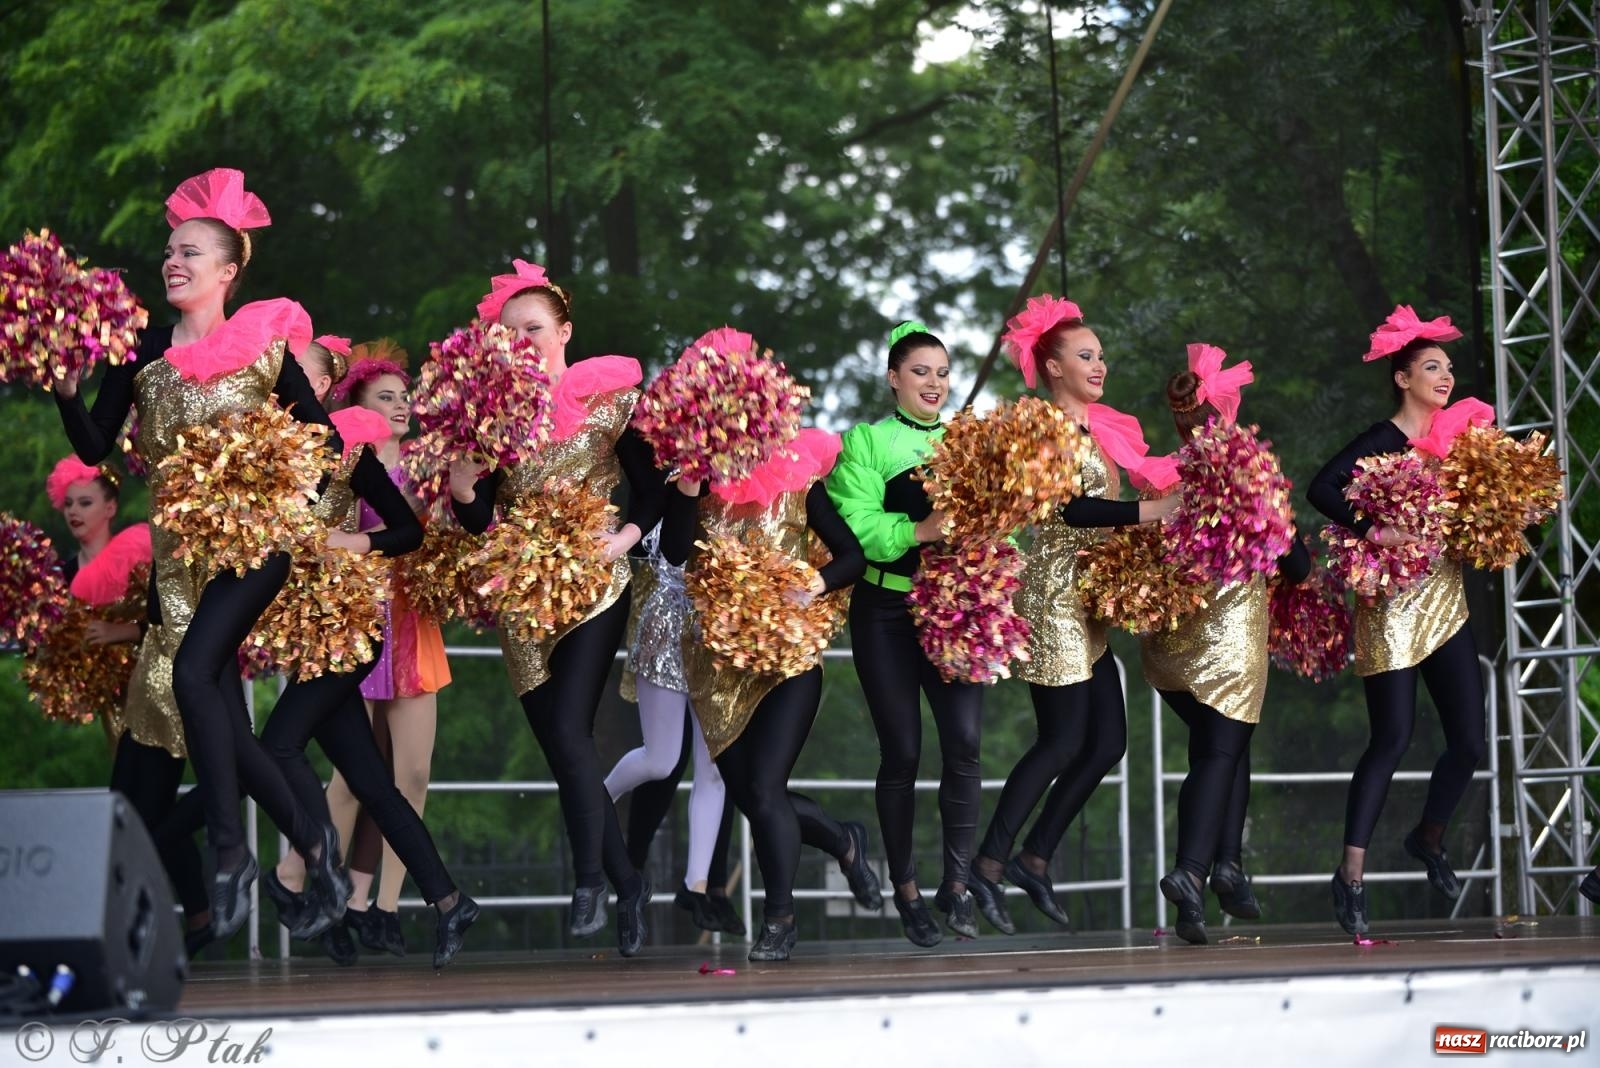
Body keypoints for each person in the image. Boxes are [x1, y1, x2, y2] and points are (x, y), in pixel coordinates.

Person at [52, 168, 349, 939]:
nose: (173, 260)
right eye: (169, 251)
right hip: (180, 562)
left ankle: (228, 851)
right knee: (214, 710)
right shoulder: (141, 350)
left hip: (254, 548)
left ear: (228, 269)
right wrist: (61, 386)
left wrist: (283, 505)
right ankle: (313, 842)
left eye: (190, 251)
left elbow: (327, 439)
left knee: (191, 675)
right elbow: (95, 446)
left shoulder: (260, 345)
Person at [452, 260, 666, 956]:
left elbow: (651, 489)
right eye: (510, 335)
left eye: (535, 329)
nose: (523, 343)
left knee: (573, 729)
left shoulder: (610, 399)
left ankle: (588, 883)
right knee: (563, 748)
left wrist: (625, 540)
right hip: (523, 596)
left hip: (595, 583)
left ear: (564, 330)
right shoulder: (492, 417)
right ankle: (629, 883)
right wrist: (460, 487)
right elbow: (481, 520)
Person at [966, 297, 1178, 935]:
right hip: (1052, 593)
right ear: (1052, 367)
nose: (1100, 365)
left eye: (1102, 356)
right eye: (1086, 355)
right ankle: (988, 865)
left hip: (1087, 600)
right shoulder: (1045, 427)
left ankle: (1035, 856)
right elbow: (1067, 513)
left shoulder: (1099, 429)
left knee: (1107, 743)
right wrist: (1151, 514)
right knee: (1060, 740)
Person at [1307, 306, 1488, 936]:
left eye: (1448, 367)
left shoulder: (1461, 443)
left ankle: (1429, 836)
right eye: (1432, 367)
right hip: (1389, 606)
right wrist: (1373, 529)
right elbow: (1320, 488)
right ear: (1403, 379)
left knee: (1469, 739)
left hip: (1445, 598)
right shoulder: (1381, 441)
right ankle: (1351, 875)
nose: (1445, 376)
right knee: (1393, 737)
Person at [666, 428, 879, 961]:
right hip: (716, 668)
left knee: (764, 789)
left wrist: (814, 583)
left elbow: (851, 557)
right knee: (757, 801)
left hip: (789, 658)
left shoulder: (799, 480)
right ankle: (842, 840)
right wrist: (689, 487)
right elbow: (672, 553)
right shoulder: (695, 481)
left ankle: (779, 920)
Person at [1143, 345, 1309, 944]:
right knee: (1220, 753)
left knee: (1220, 749)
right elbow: (1294, 563)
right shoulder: (1250, 474)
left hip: (1169, 643)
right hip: (1230, 637)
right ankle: (1194, 871)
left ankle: (1221, 879)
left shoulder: (1162, 475)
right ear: (1229, 413)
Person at [826, 321, 982, 945]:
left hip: (956, 608)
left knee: (966, 743)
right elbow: (858, 525)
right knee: (905, 752)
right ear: (894, 379)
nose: (935, 383)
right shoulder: (866, 441)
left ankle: (959, 884)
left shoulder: (969, 440)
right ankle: (908, 890)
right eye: (921, 372)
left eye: (943, 373)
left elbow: (1004, 525)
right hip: (885, 613)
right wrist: (921, 530)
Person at [42, 457, 213, 954]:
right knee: (145, 807)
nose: (75, 511)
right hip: (115, 698)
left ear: (111, 507)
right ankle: (193, 917)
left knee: (136, 810)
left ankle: (138, 923)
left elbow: (174, 618)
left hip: (156, 689)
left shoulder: (144, 548)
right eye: (69, 503)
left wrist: (121, 633)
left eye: (86, 501)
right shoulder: (60, 571)